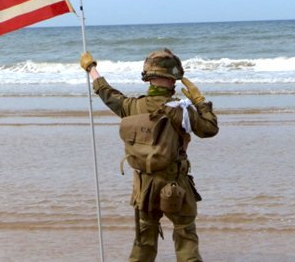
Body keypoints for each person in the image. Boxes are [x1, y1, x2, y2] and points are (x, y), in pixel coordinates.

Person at [80, 48, 219, 262]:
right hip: (176, 184)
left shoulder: (132, 106)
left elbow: (108, 94)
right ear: (173, 79)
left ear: (148, 78)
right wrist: (200, 100)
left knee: (143, 242)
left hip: (144, 187)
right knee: (185, 236)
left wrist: (91, 68)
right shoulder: (182, 110)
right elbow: (209, 129)